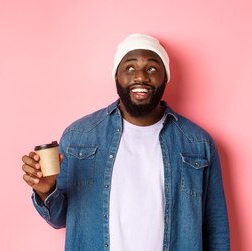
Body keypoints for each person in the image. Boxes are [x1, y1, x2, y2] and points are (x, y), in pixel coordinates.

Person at [21, 34, 229, 250]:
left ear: (165, 77)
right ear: (116, 76)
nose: (141, 77)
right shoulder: (79, 137)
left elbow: (215, 228)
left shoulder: (197, 143)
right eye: (130, 68)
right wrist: (46, 191)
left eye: (152, 69)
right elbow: (59, 219)